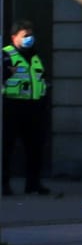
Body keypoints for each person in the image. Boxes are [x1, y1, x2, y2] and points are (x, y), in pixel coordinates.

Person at [2, 20, 53, 196]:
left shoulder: (35, 57)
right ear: (13, 37)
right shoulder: (6, 56)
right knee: (6, 148)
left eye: (30, 35)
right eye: (25, 36)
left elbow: (42, 81)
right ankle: (4, 184)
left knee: (35, 147)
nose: (29, 39)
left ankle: (33, 183)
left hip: (34, 107)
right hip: (11, 107)